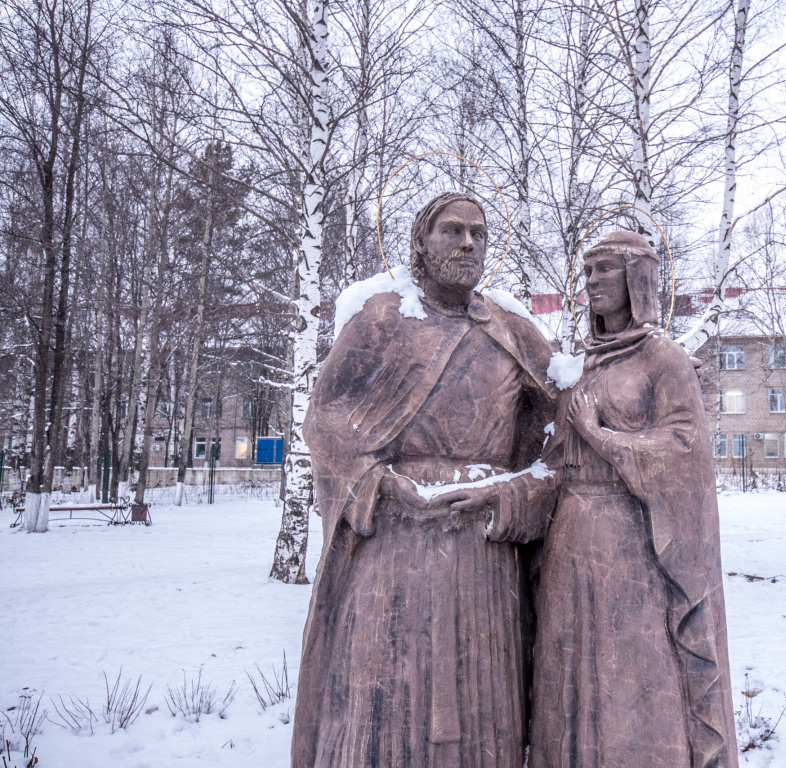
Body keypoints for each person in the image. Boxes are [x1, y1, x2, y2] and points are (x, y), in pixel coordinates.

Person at [291, 192, 555, 768]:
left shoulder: (515, 334)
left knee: (481, 704)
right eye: (452, 230)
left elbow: (559, 450)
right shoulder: (381, 318)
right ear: (420, 241)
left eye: (478, 233)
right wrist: (382, 485)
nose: (467, 243)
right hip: (393, 544)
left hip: (483, 553)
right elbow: (325, 422)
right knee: (382, 693)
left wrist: (506, 494)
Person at [484, 231, 739, 767]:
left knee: (631, 670)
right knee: (567, 667)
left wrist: (604, 440)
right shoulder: (587, 365)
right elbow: (552, 450)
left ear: (637, 279)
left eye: (604, 269)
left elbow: (684, 452)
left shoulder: (662, 358)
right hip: (570, 541)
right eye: (587, 272)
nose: (591, 282)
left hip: (633, 547)